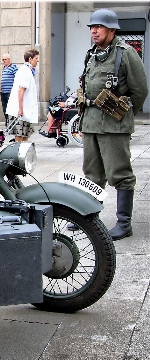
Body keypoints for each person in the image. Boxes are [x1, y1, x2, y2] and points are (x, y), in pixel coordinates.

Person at [77, 9, 148, 240]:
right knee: (92, 173)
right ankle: (88, 218)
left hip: (113, 124)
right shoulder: (92, 54)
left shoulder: (125, 54)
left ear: (112, 30)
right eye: (91, 27)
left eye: (98, 27)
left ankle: (124, 223)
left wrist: (124, 114)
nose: (94, 31)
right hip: (90, 122)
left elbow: (140, 91)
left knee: (120, 173)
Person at [6, 49, 39, 142]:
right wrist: (20, 109)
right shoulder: (25, 72)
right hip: (21, 110)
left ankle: (24, 153)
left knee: (25, 133)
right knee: (20, 134)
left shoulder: (28, 71)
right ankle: (19, 152)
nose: (37, 60)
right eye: (36, 58)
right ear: (30, 59)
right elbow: (21, 91)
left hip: (26, 109)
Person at [0, 54, 18, 126]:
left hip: (10, 91)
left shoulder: (13, 67)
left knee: (11, 107)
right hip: (3, 91)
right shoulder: (4, 68)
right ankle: (7, 121)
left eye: (5, 59)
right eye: (3, 60)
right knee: (5, 107)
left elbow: (17, 78)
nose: (4, 61)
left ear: (9, 59)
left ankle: (12, 122)